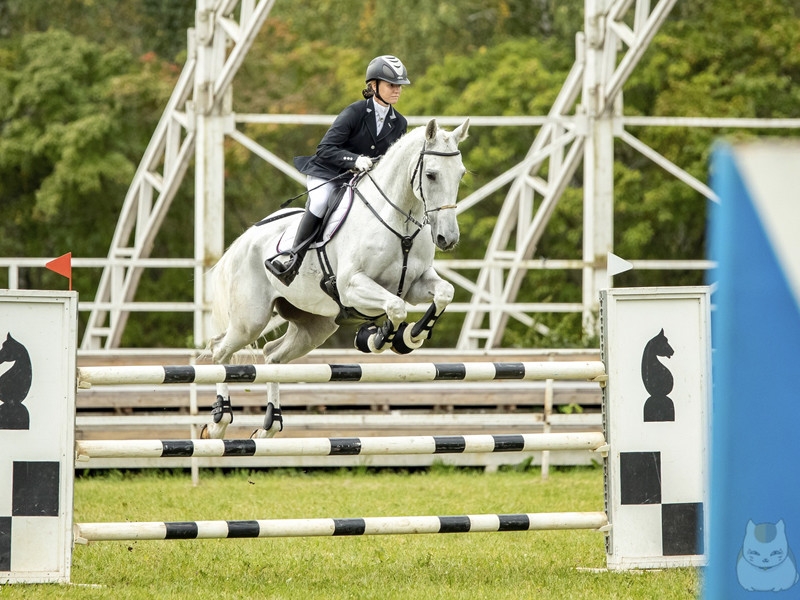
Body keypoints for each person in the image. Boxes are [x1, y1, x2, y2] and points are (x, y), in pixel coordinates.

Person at [265, 55, 411, 285]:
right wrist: (353, 159)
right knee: (322, 201)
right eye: (392, 85)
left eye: (399, 86)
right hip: (330, 173)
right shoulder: (355, 112)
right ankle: (293, 259)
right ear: (373, 86)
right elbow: (325, 148)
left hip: (363, 180)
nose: (397, 90)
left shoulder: (399, 123)